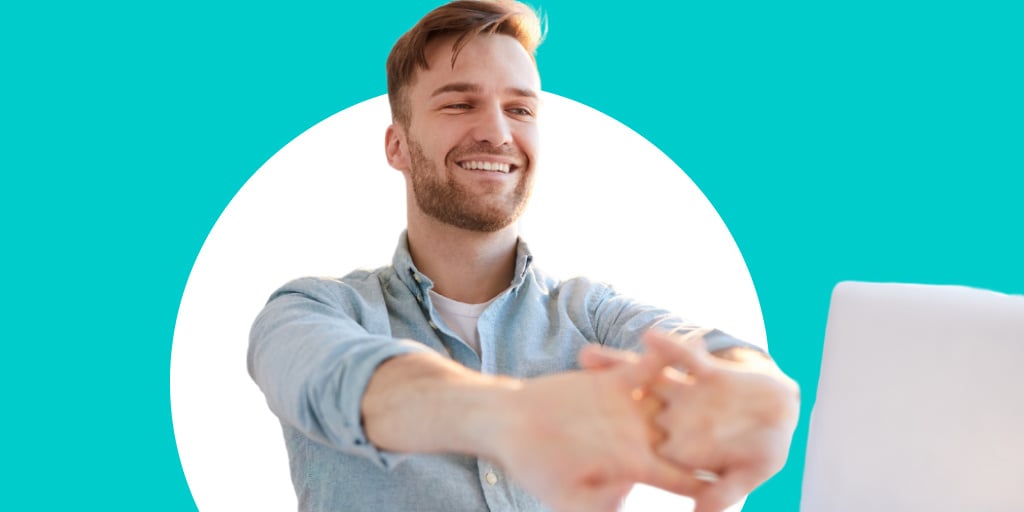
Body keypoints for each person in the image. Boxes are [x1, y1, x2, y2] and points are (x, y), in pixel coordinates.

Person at [247, 1, 799, 511]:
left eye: (520, 109)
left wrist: (751, 383)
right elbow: (335, 381)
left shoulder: (593, 314)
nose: (496, 132)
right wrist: (506, 418)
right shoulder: (312, 310)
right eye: (460, 103)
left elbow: (706, 351)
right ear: (397, 145)